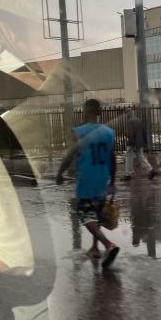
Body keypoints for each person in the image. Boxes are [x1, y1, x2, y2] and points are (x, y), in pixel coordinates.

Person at [56, 99, 120, 268]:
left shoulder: (79, 132)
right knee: (96, 213)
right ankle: (94, 247)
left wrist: (59, 173)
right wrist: (112, 181)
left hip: (86, 179)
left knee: (85, 215)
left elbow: (70, 155)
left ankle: (108, 245)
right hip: (102, 178)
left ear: (86, 111)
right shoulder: (109, 132)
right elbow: (113, 159)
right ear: (99, 113)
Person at [121, 108, 156, 182]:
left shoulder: (130, 121)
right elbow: (144, 132)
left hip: (132, 143)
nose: (125, 116)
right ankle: (151, 170)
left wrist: (133, 145)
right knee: (140, 156)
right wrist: (145, 142)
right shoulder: (139, 120)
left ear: (128, 113)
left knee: (128, 157)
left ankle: (128, 174)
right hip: (140, 142)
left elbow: (131, 134)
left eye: (126, 114)